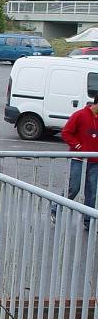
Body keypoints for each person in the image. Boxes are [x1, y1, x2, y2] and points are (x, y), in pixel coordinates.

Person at [50, 97, 98, 230]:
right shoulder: (80, 115)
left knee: (92, 192)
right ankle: (55, 208)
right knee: (73, 187)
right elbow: (66, 132)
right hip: (79, 159)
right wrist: (78, 147)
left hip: (95, 162)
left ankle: (88, 221)